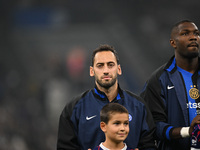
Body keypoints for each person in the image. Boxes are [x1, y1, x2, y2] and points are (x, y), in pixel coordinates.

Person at [57, 44, 156, 150]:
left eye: (110, 65)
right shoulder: (74, 109)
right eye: (100, 65)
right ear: (92, 71)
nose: (106, 70)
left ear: (119, 69)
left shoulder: (138, 106)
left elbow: (149, 145)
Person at [140, 20, 200, 150]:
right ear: (173, 43)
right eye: (185, 33)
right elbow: (152, 126)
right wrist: (187, 131)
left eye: (196, 33)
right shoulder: (158, 80)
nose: (193, 37)